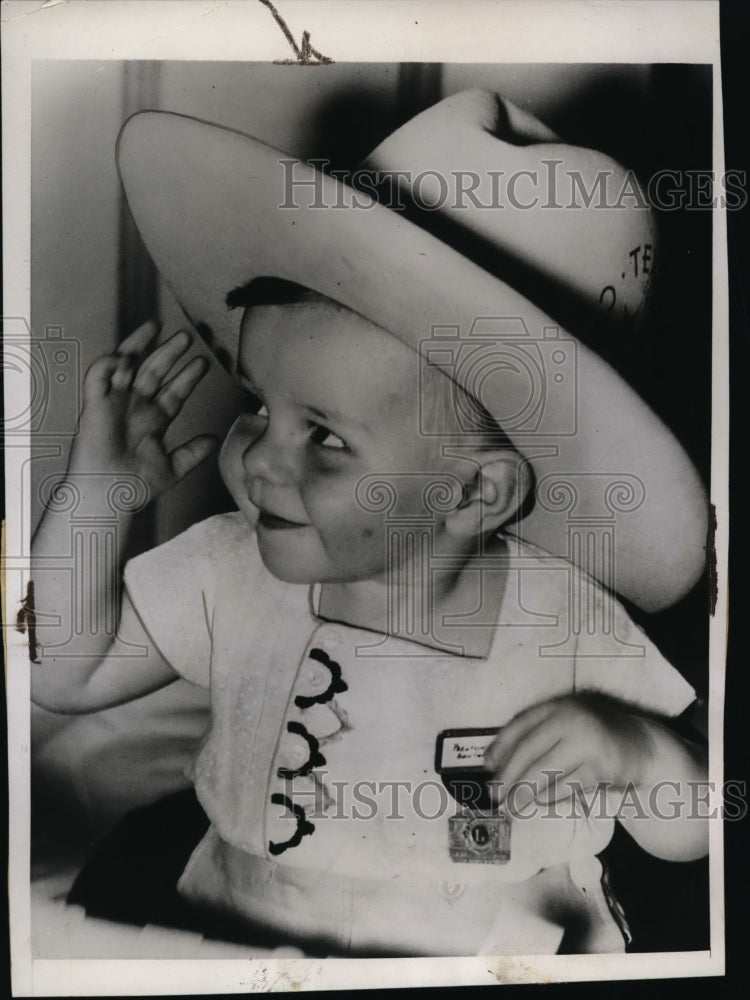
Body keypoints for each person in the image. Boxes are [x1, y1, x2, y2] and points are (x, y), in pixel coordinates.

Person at [30, 91, 709, 957]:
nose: (263, 459)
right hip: (233, 940)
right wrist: (93, 495)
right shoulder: (234, 571)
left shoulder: (563, 620)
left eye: (323, 434)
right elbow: (63, 674)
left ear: (473, 495)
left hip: (489, 954)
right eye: (257, 403)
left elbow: (691, 828)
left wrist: (640, 755)